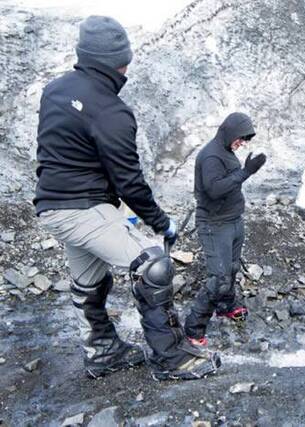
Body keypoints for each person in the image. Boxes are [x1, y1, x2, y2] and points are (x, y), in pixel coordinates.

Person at [34, 16, 219, 381]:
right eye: (124, 60)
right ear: (116, 61)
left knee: (90, 280)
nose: (127, 67)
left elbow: (69, 154)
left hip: (53, 204)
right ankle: (171, 359)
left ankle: (102, 350)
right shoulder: (111, 110)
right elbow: (129, 182)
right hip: (82, 208)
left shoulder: (54, 89)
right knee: (153, 266)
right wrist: (160, 222)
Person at [184, 113, 266, 346]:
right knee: (218, 277)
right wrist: (246, 172)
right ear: (229, 133)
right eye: (241, 138)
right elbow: (214, 190)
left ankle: (225, 306)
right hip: (214, 223)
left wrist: (245, 171)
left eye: (245, 139)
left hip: (233, 219)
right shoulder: (211, 156)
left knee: (230, 268)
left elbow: (230, 182)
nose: (242, 143)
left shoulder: (226, 152)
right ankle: (193, 329)